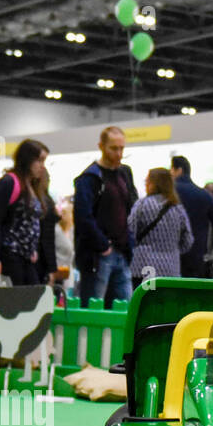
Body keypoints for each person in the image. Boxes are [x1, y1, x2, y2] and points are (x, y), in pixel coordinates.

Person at [73, 126, 138, 307]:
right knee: (93, 309)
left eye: (121, 148)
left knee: (125, 309)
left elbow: (131, 208)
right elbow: (83, 216)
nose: (118, 153)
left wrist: (129, 241)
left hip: (122, 252)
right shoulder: (89, 178)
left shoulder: (124, 174)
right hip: (99, 255)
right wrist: (103, 246)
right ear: (101, 146)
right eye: (114, 148)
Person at [0, 138, 50, 286]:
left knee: (33, 299)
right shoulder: (10, 182)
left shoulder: (31, 186)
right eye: (39, 161)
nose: (42, 167)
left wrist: (31, 249)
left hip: (25, 256)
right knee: (17, 302)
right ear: (27, 159)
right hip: (9, 254)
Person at [128, 168, 193, 289]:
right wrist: (173, 250)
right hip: (171, 267)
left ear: (152, 183)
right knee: (166, 302)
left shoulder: (142, 205)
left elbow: (130, 231)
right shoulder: (178, 208)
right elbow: (188, 240)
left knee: (146, 301)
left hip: (144, 265)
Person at [170, 155, 213, 278]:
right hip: (196, 257)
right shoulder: (204, 195)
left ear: (179, 170)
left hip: (169, 258)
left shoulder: (167, 194)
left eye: (171, 170)